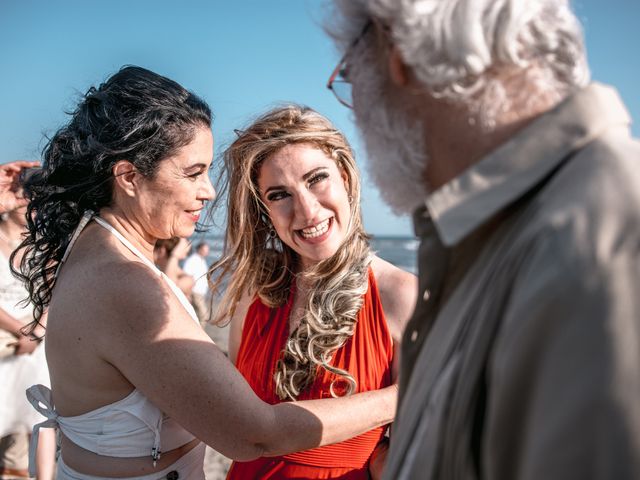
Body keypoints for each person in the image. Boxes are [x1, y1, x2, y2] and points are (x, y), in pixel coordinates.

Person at [14, 66, 398, 479]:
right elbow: (252, 437)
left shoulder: (98, 249)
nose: (209, 190)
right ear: (128, 176)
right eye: (193, 172)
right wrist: (403, 396)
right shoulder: (124, 282)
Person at [325, 0, 640, 479]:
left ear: (398, 52)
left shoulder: (603, 233)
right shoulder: (500, 235)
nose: (356, 111)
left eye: (348, 75)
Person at [209, 105, 416, 479]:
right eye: (279, 195)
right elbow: (239, 425)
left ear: (346, 178)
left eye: (316, 179)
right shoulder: (254, 294)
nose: (306, 211)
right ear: (264, 212)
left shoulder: (400, 295)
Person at [0, 206, 56, 480]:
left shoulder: (42, 246)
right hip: (4, 338)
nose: (30, 205)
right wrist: (21, 332)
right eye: (23, 197)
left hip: (36, 339)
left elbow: (52, 293)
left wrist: (36, 333)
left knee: (31, 415)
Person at [182, 242, 210, 324]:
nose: (207, 252)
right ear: (199, 249)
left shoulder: (202, 260)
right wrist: (188, 293)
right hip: (195, 291)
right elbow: (186, 275)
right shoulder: (192, 260)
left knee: (194, 314)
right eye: (205, 250)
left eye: (207, 250)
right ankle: (199, 335)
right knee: (204, 315)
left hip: (201, 292)